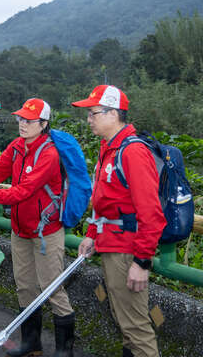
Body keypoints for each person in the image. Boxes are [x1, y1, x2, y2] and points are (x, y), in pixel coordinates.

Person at [0, 98, 76, 357]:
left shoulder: (49, 153)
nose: (23, 124)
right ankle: (31, 345)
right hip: (20, 229)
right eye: (21, 119)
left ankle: (64, 350)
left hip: (46, 232)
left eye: (30, 120)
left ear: (44, 124)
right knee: (24, 286)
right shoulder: (16, 147)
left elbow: (25, 190)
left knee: (52, 288)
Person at [73, 85, 166, 357]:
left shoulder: (132, 151)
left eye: (93, 113)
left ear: (113, 114)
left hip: (127, 250)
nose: (89, 119)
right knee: (125, 323)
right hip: (110, 244)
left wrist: (142, 261)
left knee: (136, 328)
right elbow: (104, 201)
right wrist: (92, 233)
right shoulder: (109, 148)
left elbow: (151, 213)